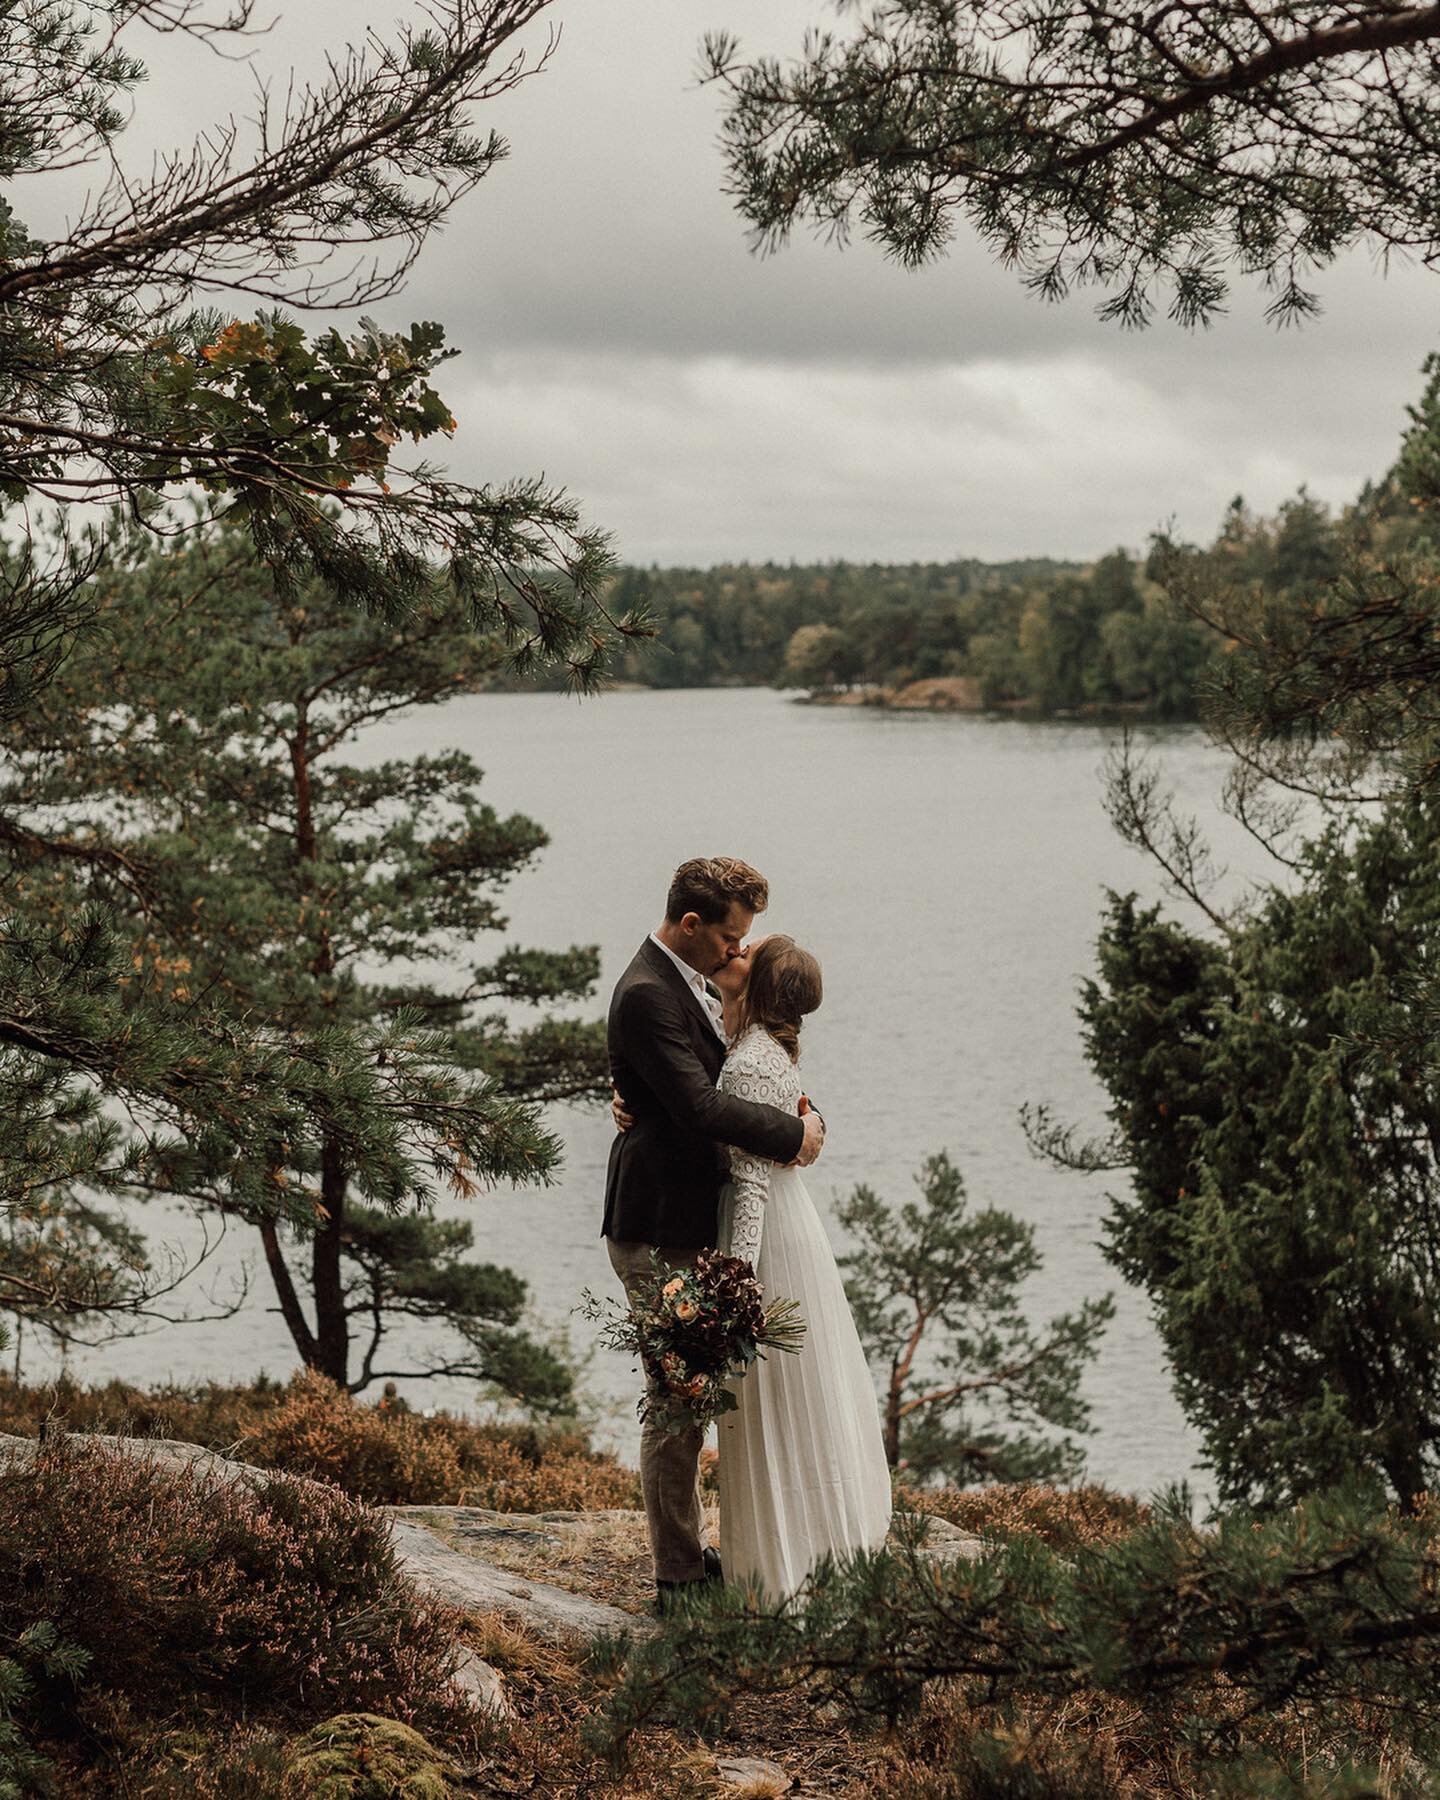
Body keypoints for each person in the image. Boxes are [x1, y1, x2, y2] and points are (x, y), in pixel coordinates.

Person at [602, 857, 825, 1608]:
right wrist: (792, 1137)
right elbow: (699, 1107)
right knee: (676, 1403)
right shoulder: (644, 995)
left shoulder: (690, 981)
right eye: (731, 936)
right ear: (690, 924)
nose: (739, 950)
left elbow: (745, 1067)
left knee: (691, 1402)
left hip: (689, 1219)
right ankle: (677, 1577)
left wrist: (802, 1114)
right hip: (657, 1224)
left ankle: (693, 1560)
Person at [711, 934, 892, 1600]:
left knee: (775, 1405)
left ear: (759, 986)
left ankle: (783, 1571)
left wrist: (738, 1285)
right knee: (781, 1403)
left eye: (751, 952)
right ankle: (788, 1555)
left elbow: (753, 1185)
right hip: (789, 1226)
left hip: (771, 1240)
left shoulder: (754, 1060)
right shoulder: (765, 1043)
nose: (741, 949)